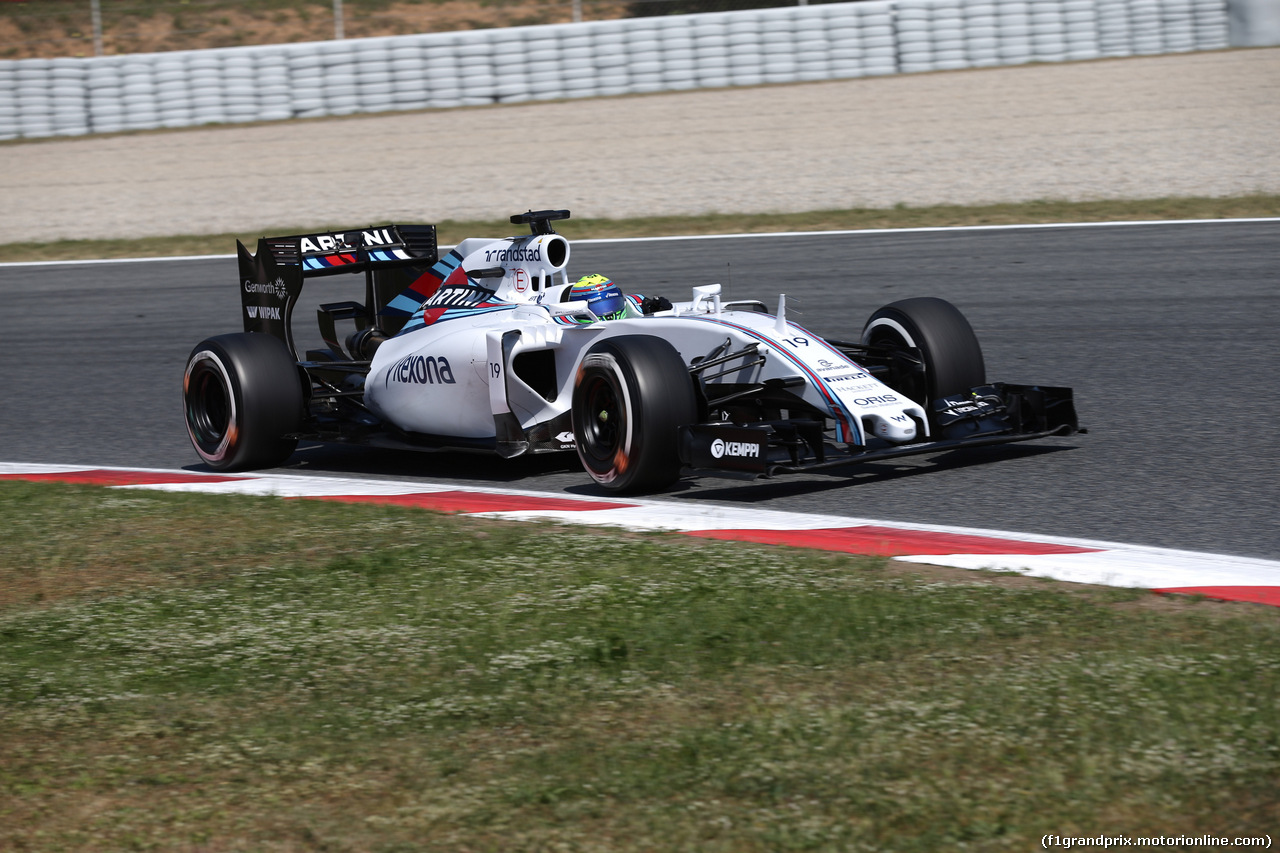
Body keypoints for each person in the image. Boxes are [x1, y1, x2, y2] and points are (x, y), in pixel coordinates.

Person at [566, 273, 672, 322]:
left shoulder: (637, 305)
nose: (610, 313)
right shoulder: (563, 323)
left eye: (612, 303)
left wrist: (657, 310)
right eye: (599, 307)